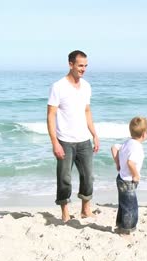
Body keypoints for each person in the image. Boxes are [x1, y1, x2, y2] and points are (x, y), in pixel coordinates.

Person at [47, 50, 100, 222]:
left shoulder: (86, 86)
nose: (83, 69)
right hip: (65, 141)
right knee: (64, 178)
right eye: (80, 65)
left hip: (84, 140)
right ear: (70, 64)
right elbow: (50, 115)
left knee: (88, 176)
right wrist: (55, 142)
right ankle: (65, 211)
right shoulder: (58, 86)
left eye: (85, 66)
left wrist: (95, 134)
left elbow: (87, 111)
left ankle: (85, 209)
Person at [111, 116, 147, 236]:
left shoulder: (128, 142)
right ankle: (126, 231)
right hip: (128, 181)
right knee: (131, 207)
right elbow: (130, 163)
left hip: (121, 178)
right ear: (144, 134)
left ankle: (120, 226)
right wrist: (136, 175)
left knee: (123, 204)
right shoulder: (137, 148)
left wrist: (117, 163)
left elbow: (114, 148)